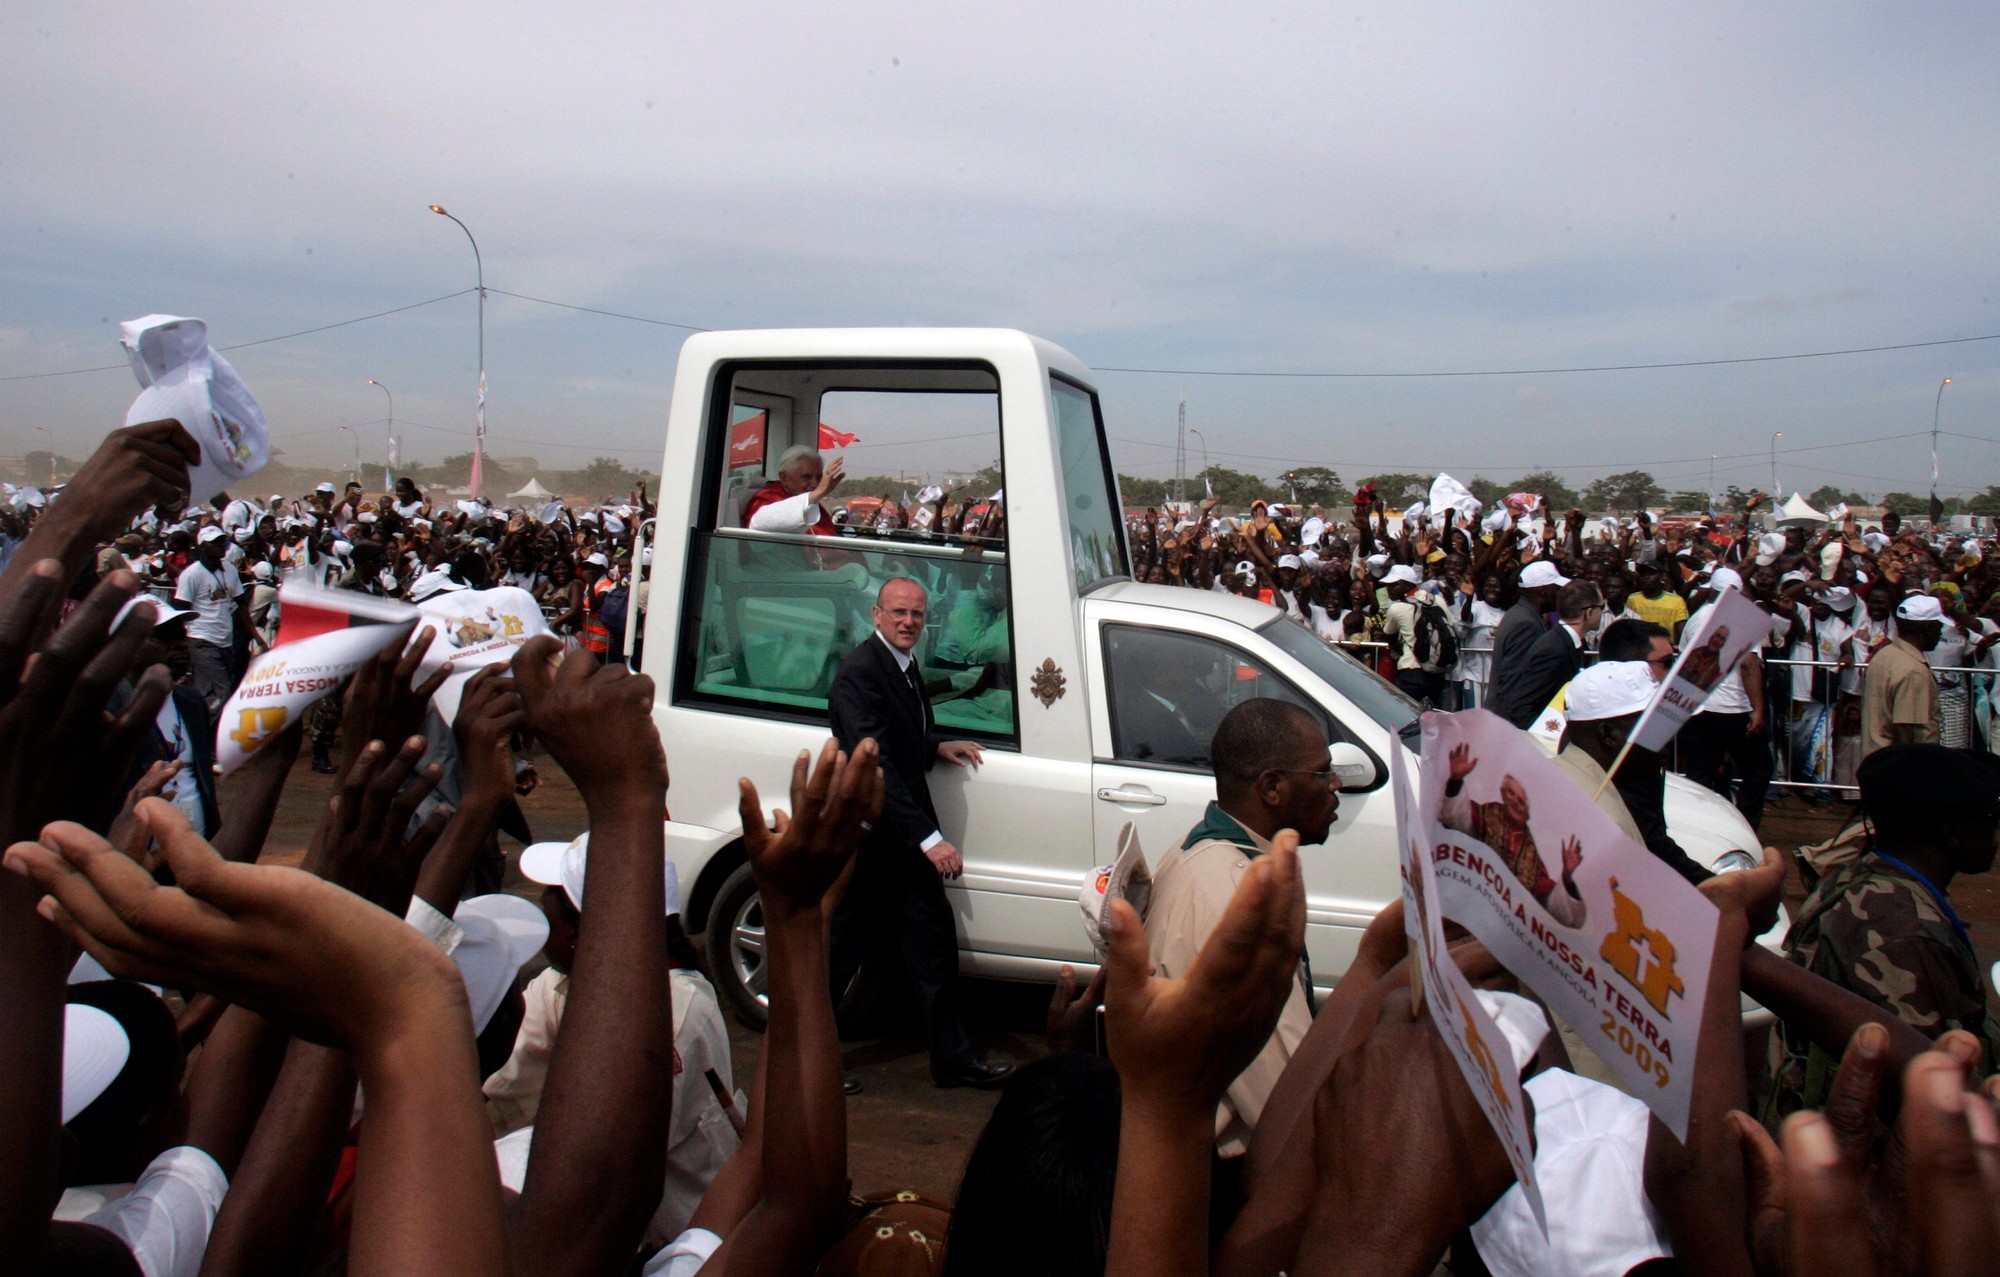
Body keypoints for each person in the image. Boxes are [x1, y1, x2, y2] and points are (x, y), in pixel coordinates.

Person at [826, 577, 1010, 1088]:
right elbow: (875, 762)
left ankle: (952, 1059)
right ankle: (808, 1058)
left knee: (932, 943)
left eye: (917, 614)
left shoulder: (903, 667)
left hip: (901, 844)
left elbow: (897, 738)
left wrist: (934, 746)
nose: (909, 622)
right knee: (840, 953)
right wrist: (931, 839)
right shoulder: (860, 674)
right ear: (877, 614)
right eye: (899, 612)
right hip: (869, 838)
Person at [1767, 743, 2000, 1118]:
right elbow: (1935, 1088)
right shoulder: (1902, 932)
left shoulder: (1860, 880)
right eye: (1992, 815)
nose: (1995, 830)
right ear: (1953, 832)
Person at [1145, 698, 1335, 1156]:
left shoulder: (1210, 853)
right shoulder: (1236, 905)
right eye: (1322, 773)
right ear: (1272, 787)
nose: (1336, 786)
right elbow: (1289, 1106)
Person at [1555, 659, 1714, 885]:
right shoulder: (1598, 822)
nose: (1667, 738)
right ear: (1609, 735)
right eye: (1654, 726)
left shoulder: (1591, 782)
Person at [1439, 742, 1587, 927]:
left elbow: (1557, 910)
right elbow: (1453, 818)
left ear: (1528, 809)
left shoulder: (1532, 850)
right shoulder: (1484, 815)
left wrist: (1567, 877)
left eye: (1522, 800)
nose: (1517, 802)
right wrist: (1455, 781)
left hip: (1498, 930)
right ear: (1502, 793)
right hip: (1456, 909)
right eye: (1512, 794)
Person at [1489, 580, 1601, 730]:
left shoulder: (1569, 643)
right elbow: (1520, 706)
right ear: (1589, 613)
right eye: (1601, 607)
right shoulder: (1554, 649)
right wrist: (1547, 737)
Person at [1860, 593, 1942, 758]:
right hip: (1900, 770)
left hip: (1876, 762)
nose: (1941, 633)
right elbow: (1905, 733)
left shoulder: (1885, 654)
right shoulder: (1913, 670)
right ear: (1928, 629)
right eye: (1939, 627)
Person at [173, 525, 243, 716]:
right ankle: (209, 734)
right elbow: (181, 607)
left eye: (224, 542)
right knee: (223, 692)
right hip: (202, 639)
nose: (222, 546)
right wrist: (182, 641)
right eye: (216, 543)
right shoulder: (191, 574)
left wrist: (254, 636)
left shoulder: (229, 570)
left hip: (226, 639)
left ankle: (197, 728)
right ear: (203, 546)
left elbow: (240, 604)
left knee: (204, 692)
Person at [1488, 559, 1567, 701]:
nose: (1560, 593)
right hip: (1513, 717)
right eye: (1557, 589)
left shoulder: (1521, 613)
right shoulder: (1526, 624)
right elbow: (1514, 681)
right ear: (1545, 593)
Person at [1379, 565, 1446, 707]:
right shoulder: (1437, 600)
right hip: (1437, 671)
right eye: (1388, 586)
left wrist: (1397, 650)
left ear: (1408, 584)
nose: (1389, 589)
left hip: (1411, 671)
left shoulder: (1396, 608)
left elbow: (1389, 635)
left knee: (1403, 717)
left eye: (1394, 585)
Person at [744, 445, 845, 535]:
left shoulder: (810, 501)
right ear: (784, 478)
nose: (815, 484)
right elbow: (759, 522)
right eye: (806, 477)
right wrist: (816, 494)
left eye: (819, 477)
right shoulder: (766, 498)